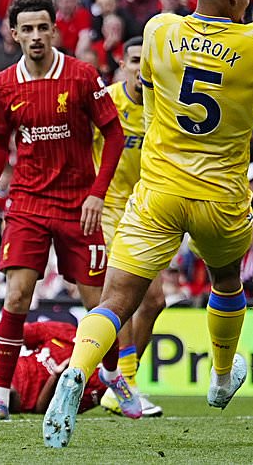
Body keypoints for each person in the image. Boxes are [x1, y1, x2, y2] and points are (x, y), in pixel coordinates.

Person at [44, 0, 253, 448]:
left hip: (159, 189)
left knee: (116, 299)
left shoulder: (158, 29)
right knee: (225, 280)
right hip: (221, 195)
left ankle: (77, 372)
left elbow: (150, 93)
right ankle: (219, 378)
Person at [0, 0, 131, 422]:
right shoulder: (4, 83)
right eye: (27, 29)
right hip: (27, 202)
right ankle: (1, 398)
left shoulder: (81, 76)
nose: (36, 36)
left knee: (97, 304)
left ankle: (115, 376)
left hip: (79, 203)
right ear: (14, 35)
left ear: (54, 30)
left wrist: (98, 193)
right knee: (18, 295)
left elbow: (114, 136)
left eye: (43, 27)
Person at [90, 37, 165, 418]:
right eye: (134, 60)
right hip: (107, 210)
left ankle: (120, 381)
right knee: (122, 300)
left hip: (147, 210)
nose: (139, 67)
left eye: (145, 61)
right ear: (122, 64)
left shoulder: (161, 104)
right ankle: (124, 385)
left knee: (154, 301)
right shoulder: (106, 103)